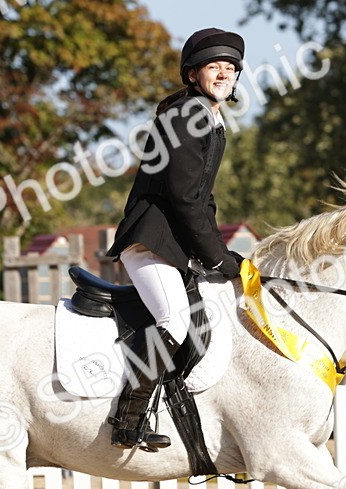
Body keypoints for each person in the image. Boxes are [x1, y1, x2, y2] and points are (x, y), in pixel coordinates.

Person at [104, 27, 247, 452]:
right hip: (151, 240)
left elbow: (204, 199)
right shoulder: (186, 116)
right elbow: (184, 199)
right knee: (173, 320)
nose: (223, 73)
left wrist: (219, 254)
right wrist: (216, 258)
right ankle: (127, 423)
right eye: (213, 67)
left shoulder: (208, 117)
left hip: (173, 245)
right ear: (192, 75)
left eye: (230, 68)